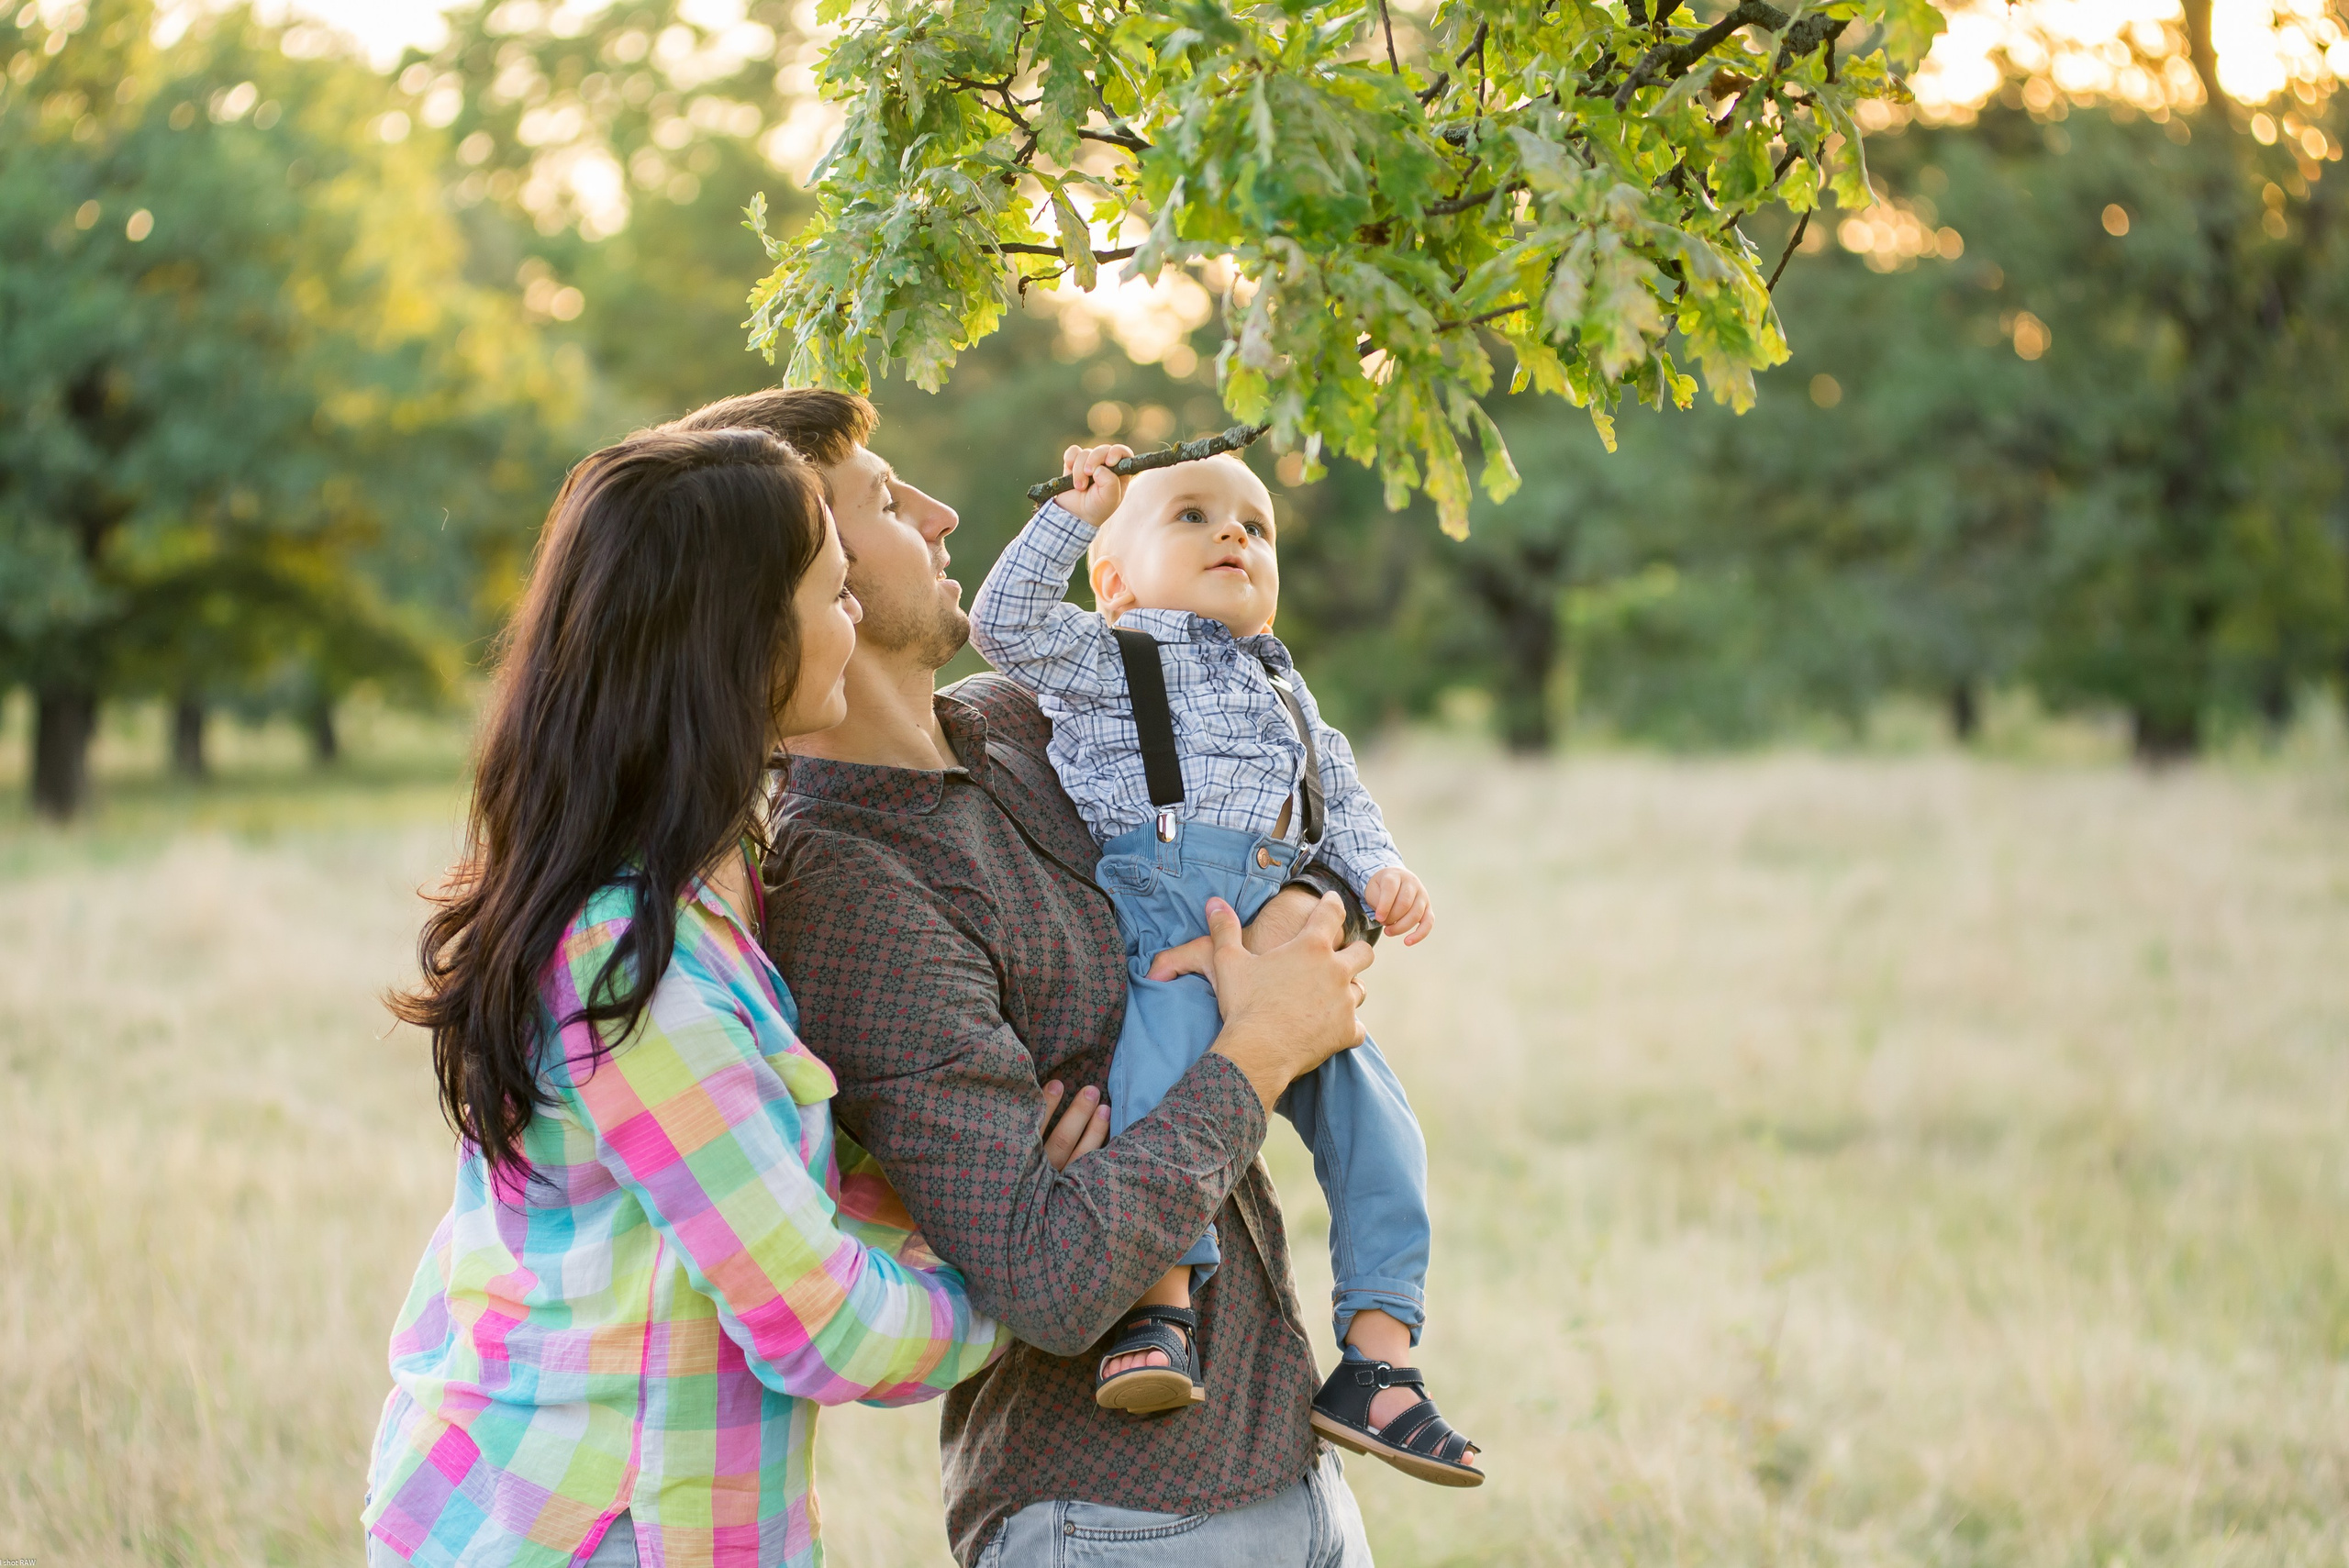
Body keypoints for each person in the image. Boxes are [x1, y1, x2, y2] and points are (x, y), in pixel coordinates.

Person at [358, 428, 1171, 1568]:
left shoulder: (701, 895)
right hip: (583, 1528)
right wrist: (1019, 1277)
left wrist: (986, 1182)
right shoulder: (628, 973)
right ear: (740, 641)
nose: (852, 621)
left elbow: (757, 1192)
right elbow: (825, 1329)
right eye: (833, 592)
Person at [665, 388, 1387, 1566]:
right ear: (807, 572)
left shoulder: (1025, 722)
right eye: (890, 503)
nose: (944, 513)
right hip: (1116, 1518)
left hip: (1287, 1458)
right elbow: (1049, 1276)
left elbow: (1268, 835)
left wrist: (1327, 906)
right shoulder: (850, 885)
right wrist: (1257, 1046)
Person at [965, 444, 1480, 1486]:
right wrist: (1079, 513)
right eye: (1192, 516)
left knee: (1382, 1128)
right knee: (1161, 1099)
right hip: (1170, 922)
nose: (1234, 534)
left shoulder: (1291, 693)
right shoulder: (1108, 659)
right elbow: (1003, 622)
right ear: (1113, 580)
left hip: (1289, 936)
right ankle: (1154, 1310)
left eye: (1255, 524)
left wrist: (1377, 875)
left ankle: (1381, 1361)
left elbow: (1342, 811)